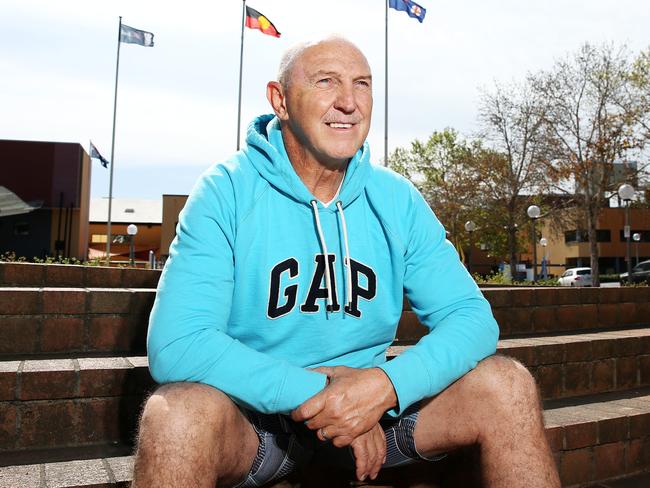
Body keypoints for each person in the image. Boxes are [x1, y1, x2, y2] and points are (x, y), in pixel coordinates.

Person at [132, 36, 560, 488]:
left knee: (507, 385)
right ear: (280, 100)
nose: (349, 103)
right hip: (259, 423)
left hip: (379, 418)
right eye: (326, 82)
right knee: (174, 413)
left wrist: (383, 387)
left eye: (362, 84)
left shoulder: (396, 199)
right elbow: (177, 344)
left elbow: (472, 318)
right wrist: (324, 397)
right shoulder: (226, 191)